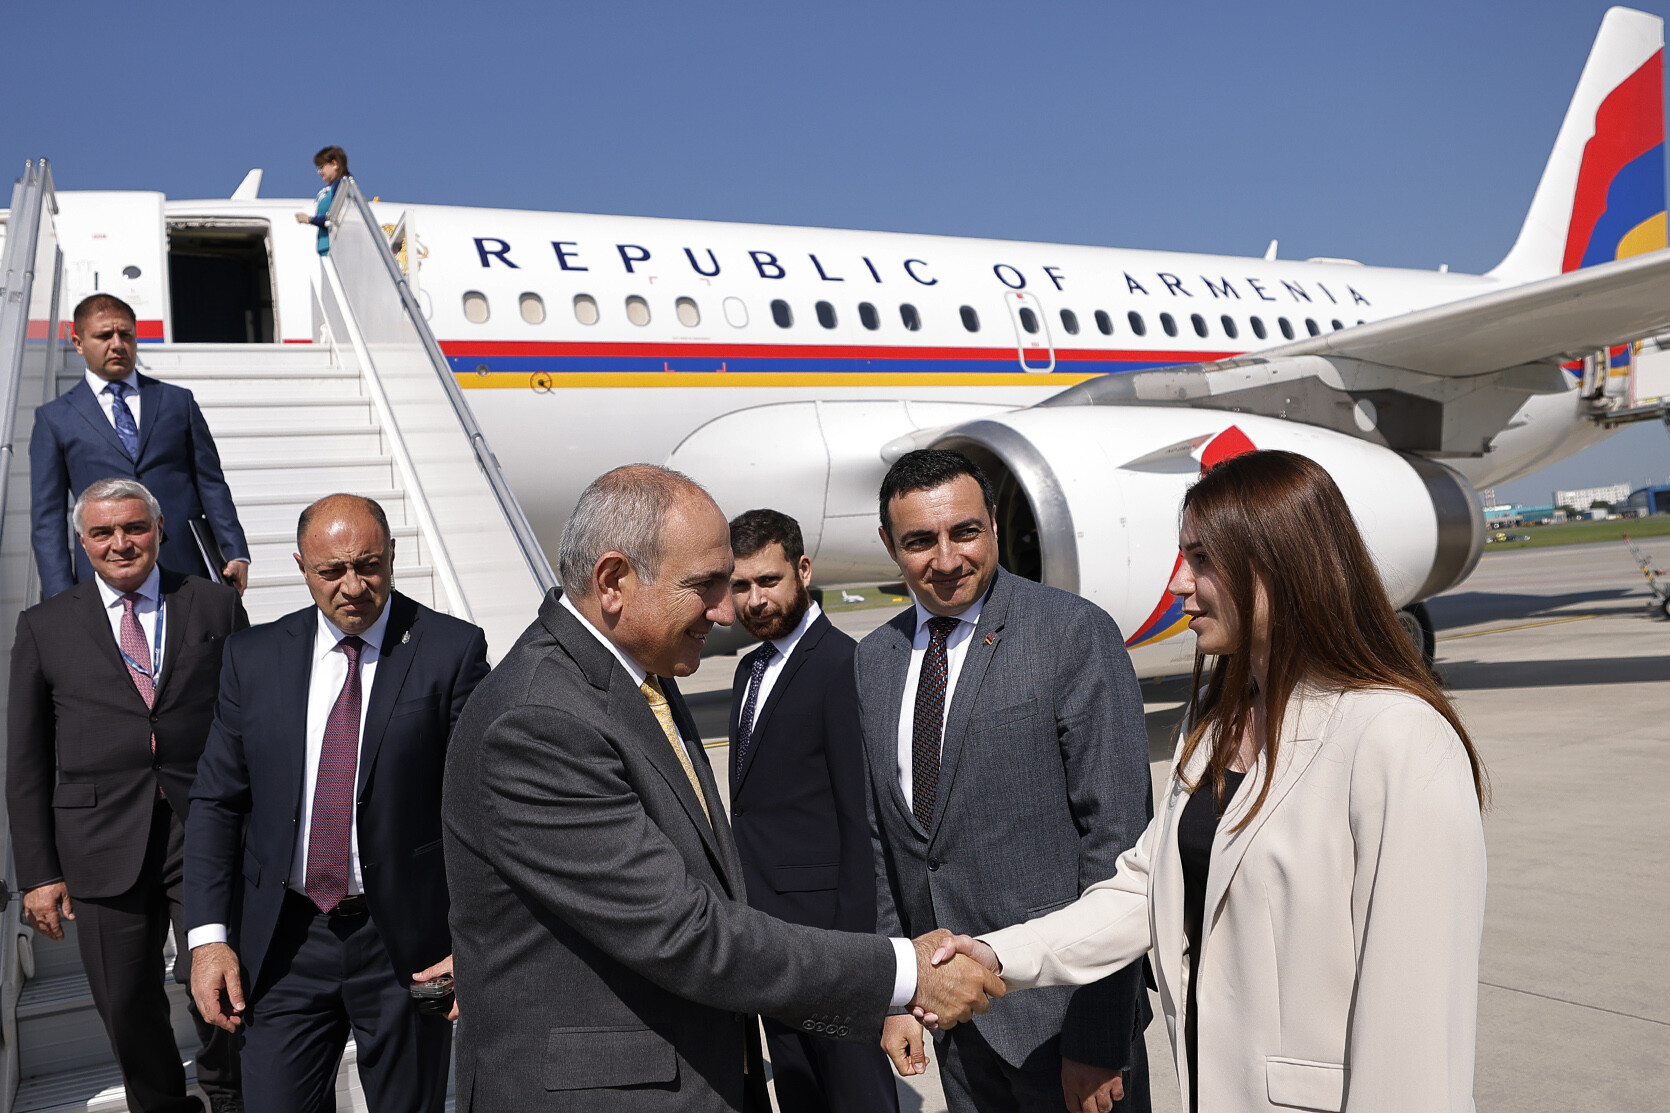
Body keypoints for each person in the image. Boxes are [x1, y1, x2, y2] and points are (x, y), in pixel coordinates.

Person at [934, 449, 1490, 1113]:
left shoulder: (1396, 738)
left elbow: (1416, 1027)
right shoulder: (1218, 720)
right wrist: (995, 954)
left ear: (1281, 564)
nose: (1178, 583)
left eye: (1201, 559)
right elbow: (1143, 890)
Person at [441, 464, 1005, 1113]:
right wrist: (903, 972)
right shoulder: (540, 721)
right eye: (705, 585)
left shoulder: (636, 673)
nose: (726, 609)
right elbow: (683, 931)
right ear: (614, 582)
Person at [856, 449, 1154, 1113]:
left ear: (993, 523)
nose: (946, 559)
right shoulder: (875, 659)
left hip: (1061, 1023)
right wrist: (898, 993)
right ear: (888, 544)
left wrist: (1099, 1033)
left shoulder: (1071, 633)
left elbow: (1119, 844)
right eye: (919, 541)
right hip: (955, 1023)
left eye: (965, 531)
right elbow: (884, 843)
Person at [184, 494, 490, 1113]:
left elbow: (483, 809)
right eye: (332, 571)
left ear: (393, 555)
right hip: (285, 941)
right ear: (301, 566)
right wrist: (209, 939)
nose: (353, 587)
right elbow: (217, 801)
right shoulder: (253, 657)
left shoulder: (449, 650)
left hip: (406, 943)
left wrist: (473, 936)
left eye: (369, 566)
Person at [7, 478, 246, 1113]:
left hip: (203, 827)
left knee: (223, 979)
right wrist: (38, 873)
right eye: (103, 532)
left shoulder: (214, 606)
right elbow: (27, 761)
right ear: (82, 541)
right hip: (98, 840)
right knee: (124, 1000)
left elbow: (251, 722)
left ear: (159, 529)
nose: (121, 543)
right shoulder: (44, 627)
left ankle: (231, 1097)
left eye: (135, 527)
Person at [726, 509, 900, 1113]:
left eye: (768, 581)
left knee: (856, 1098)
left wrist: (856, 959)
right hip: (770, 939)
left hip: (830, 943)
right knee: (800, 1095)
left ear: (803, 571)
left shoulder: (840, 664)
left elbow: (861, 819)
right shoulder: (749, 668)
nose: (755, 599)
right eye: (741, 585)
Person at [30, 294, 251, 599]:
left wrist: (235, 550)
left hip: (184, 564)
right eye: (104, 336)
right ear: (78, 343)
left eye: (126, 334)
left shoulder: (177, 401)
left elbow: (211, 483)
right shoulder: (55, 418)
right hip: (105, 569)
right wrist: (61, 594)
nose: (117, 344)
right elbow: (47, 518)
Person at [294, 146, 347, 255]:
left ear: (334, 164)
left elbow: (335, 218)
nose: (319, 171)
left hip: (333, 248)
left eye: (321, 167)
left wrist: (309, 220)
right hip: (325, 247)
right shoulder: (331, 188)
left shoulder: (341, 185)